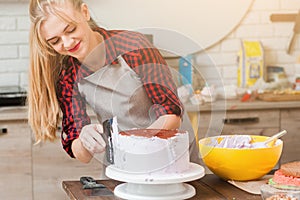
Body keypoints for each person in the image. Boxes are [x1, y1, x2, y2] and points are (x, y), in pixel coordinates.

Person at [28, 0, 199, 164]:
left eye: (71, 29)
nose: (67, 43)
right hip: (124, 159)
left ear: (85, 12)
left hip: (173, 154)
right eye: (55, 41)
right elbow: (81, 155)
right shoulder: (68, 76)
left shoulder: (133, 46)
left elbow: (171, 114)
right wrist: (84, 139)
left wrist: (139, 146)